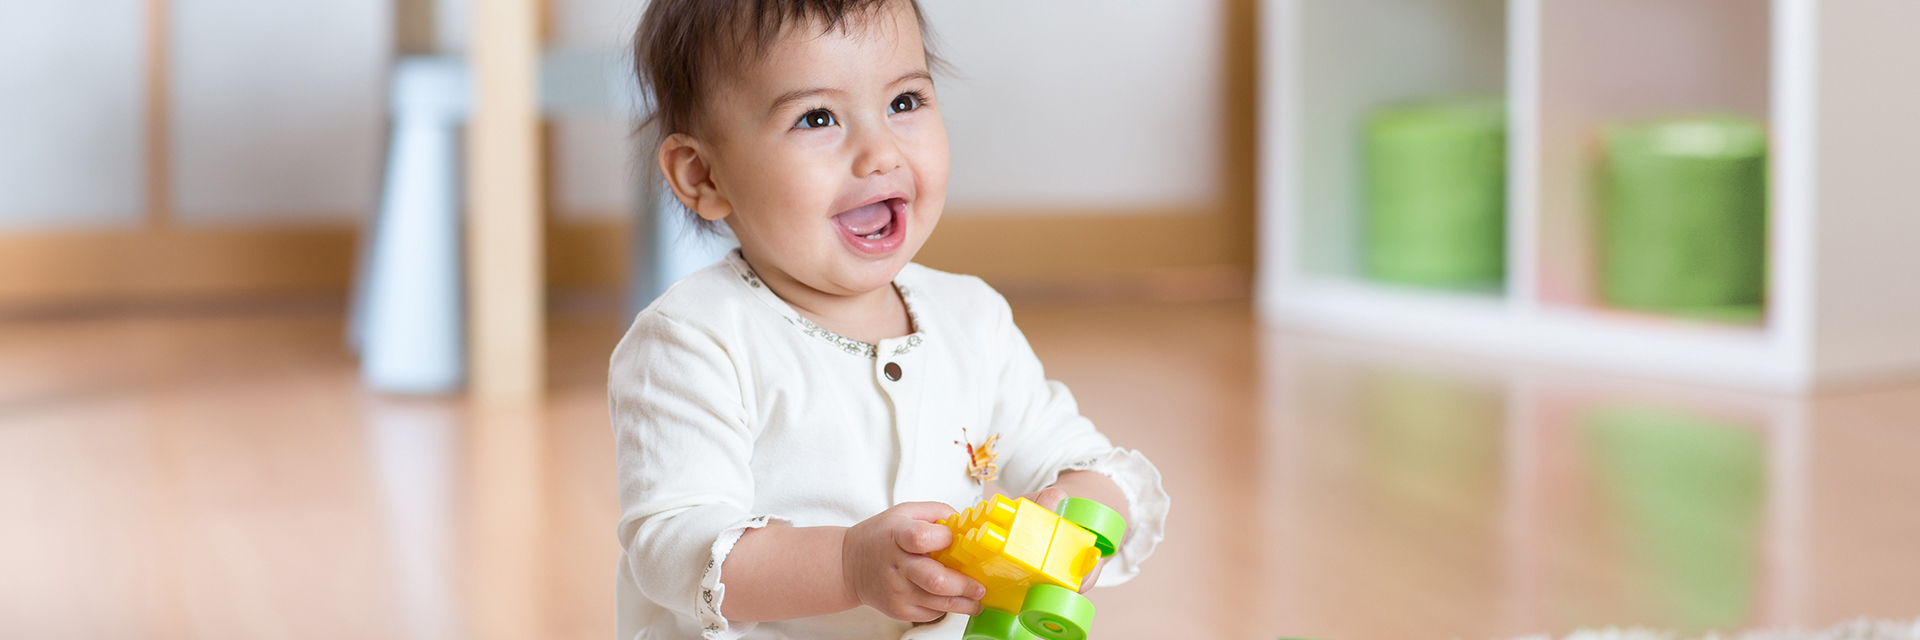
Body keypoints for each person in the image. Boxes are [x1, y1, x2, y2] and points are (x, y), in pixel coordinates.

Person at [611, 1, 1169, 638]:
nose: (880, 152)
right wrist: (848, 565)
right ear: (703, 175)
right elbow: (672, 549)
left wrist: (1070, 518)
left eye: (904, 102)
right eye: (817, 118)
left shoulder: (973, 319)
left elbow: (1086, 464)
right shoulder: (692, 341)